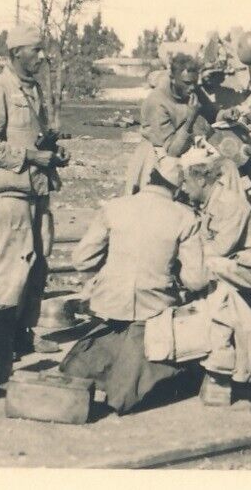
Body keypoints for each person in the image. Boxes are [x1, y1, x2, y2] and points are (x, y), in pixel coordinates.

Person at [60, 157, 208, 415]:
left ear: (149, 179)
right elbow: (196, 279)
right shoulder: (184, 216)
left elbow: (81, 258)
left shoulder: (115, 207)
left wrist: (107, 273)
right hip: (154, 308)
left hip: (109, 303)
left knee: (93, 359)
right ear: (176, 188)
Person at [0, 23, 70, 356]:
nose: (43, 57)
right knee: (9, 267)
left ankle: (23, 333)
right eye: (36, 51)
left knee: (37, 263)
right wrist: (31, 155)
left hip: (38, 190)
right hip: (12, 194)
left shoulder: (33, 90)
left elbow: (32, 138)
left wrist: (53, 154)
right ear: (16, 53)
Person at [180, 147, 251, 289]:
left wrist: (180, 256)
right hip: (234, 262)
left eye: (185, 182)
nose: (183, 188)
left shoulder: (229, 202)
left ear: (200, 180)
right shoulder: (211, 203)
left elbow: (221, 248)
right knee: (196, 265)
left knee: (199, 267)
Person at [124, 53, 214, 194]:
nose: (192, 88)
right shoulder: (157, 101)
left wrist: (226, 114)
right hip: (158, 156)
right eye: (187, 83)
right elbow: (172, 150)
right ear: (172, 79)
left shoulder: (191, 89)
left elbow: (213, 113)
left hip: (185, 149)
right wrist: (191, 118)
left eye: (194, 83)